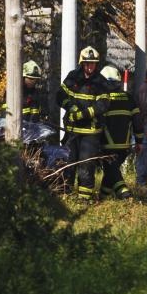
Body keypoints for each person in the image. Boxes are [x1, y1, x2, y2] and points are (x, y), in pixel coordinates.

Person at [59, 46, 111, 200]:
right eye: (87, 63)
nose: (90, 67)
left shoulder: (101, 82)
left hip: (90, 133)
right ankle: (66, 196)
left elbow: (103, 104)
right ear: (82, 63)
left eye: (93, 63)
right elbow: (60, 96)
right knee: (68, 164)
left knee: (86, 167)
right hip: (72, 131)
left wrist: (83, 114)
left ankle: (84, 200)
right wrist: (70, 106)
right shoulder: (72, 77)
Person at [98, 65, 135, 197]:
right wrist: (140, 140)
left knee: (111, 170)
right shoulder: (129, 98)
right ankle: (103, 197)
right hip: (125, 146)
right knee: (111, 172)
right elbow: (138, 120)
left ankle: (124, 193)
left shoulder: (103, 99)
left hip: (107, 145)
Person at [19, 60, 52, 130]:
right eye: (30, 78)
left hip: (33, 130)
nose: (33, 82)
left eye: (35, 79)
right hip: (18, 129)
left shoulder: (35, 93)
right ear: (23, 77)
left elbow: (37, 114)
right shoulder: (14, 93)